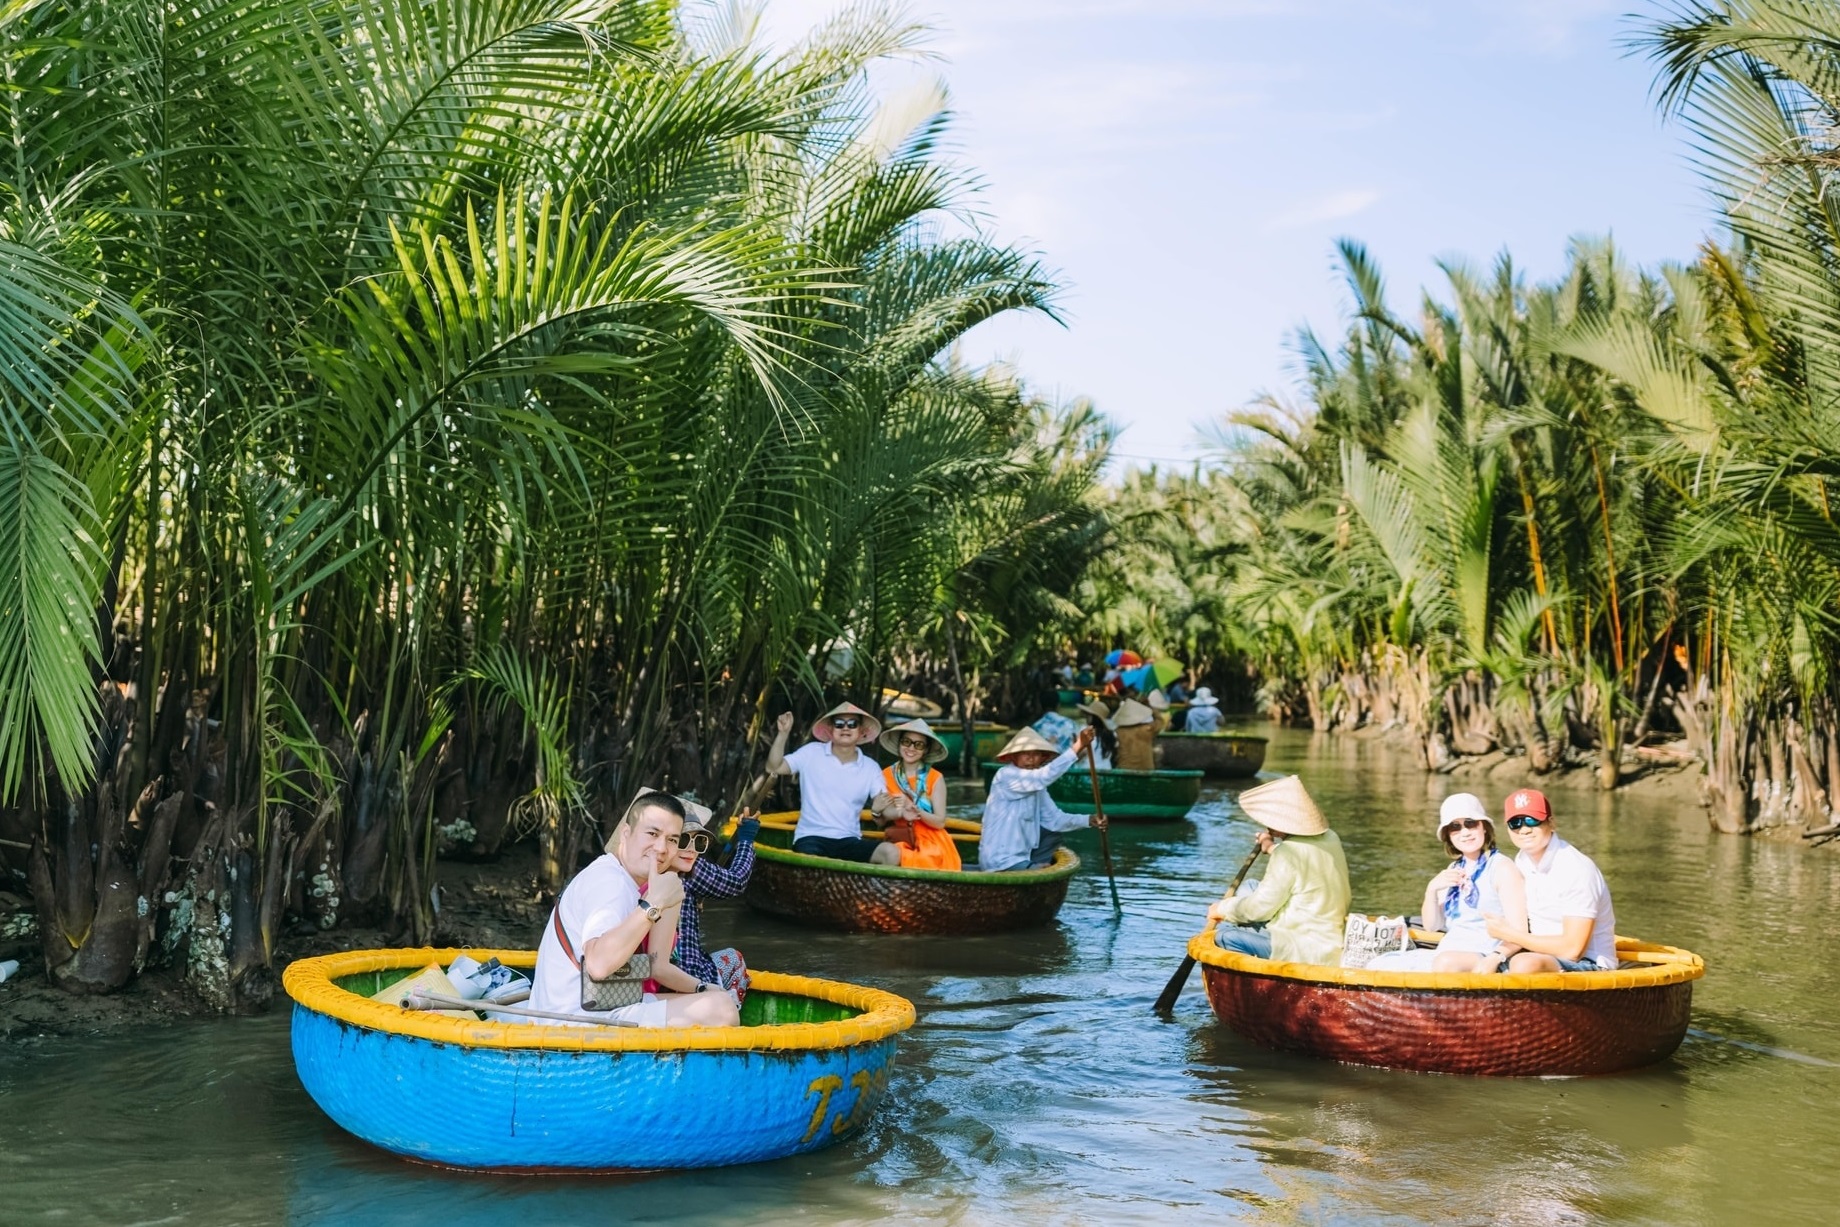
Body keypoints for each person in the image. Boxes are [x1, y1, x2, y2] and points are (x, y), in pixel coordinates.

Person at [531, 791, 738, 1027]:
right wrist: (654, 903)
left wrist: (701, 987)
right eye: (652, 833)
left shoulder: (625, 879)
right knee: (722, 1010)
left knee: (712, 998)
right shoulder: (610, 883)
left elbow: (654, 965)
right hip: (572, 1020)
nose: (661, 848)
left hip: (596, 1005)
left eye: (672, 839)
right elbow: (598, 965)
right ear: (626, 834)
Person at [1374, 793, 1528, 973]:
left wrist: (1496, 957)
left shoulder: (1502, 868)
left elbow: (1519, 931)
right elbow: (1432, 926)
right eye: (1455, 827)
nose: (1465, 832)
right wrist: (1431, 890)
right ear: (1448, 834)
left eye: (1470, 823)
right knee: (1379, 963)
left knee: (1445, 962)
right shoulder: (1454, 869)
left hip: (1485, 955)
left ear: (1484, 827)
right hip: (1447, 953)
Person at [1207, 775, 1351, 965]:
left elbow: (1259, 909)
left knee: (1225, 937)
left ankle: (1259, 977)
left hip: (1303, 946)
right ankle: (1253, 937)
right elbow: (1304, 859)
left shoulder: (1286, 854)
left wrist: (1222, 908)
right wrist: (1268, 846)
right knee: (1249, 886)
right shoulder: (1331, 837)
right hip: (1329, 934)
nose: (1267, 824)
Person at [1485, 789, 1619, 972]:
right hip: (1539, 954)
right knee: (1462, 960)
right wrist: (1496, 954)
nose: (1524, 829)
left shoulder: (1576, 869)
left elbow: (1573, 949)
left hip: (1589, 962)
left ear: (1551, 823)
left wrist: (1508, 934)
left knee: (1524, 964)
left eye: (1532, 820)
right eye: (1515, 823)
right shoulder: (1522, 860)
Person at [766, 701, 902, 864]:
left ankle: (869, 889)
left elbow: (885, 806)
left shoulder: (870, 767)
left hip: (849, 840)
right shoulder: (811, 752)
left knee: (891, 852)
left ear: (861, 732)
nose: (845, 728)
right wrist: (783, 734)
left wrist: (897, 809)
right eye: (839, 724)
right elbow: (774, 767)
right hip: (811, 837)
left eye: (852, 724)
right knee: (812, 862)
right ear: (830, 730)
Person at [978, 726, 1108, 871]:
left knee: (1052, 833)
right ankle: (1033, 868)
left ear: (1042, 758)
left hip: (1023, 857)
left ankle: (1034, 866)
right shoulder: (1006, 775)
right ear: (1014, 756)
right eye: (1025, 754)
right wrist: (1078, 746)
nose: (1031, 759)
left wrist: (1089, 820)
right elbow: (1043, 777)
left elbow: (1055, 820)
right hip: (999, 861)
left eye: (1036, 754)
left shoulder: (1037, 788)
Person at [667, 797, 759, 996]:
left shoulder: (637, 871)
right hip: (689, 975)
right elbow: (736, 882)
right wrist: (746, 840)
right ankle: (727, 1009)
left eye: (699, 841)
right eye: (683, 840)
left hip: (663, 978)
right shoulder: (691, 870)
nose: (691, 849)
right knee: (734, 959)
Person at [876, 719, 963, 871]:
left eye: (919, 744)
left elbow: (940, 822)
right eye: (906, 742)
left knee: (928, 858)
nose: (911, 748)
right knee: (889, 853)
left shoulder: (935, 778)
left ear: (926, 750)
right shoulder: (886, 775)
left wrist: (914, 809)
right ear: (899, 744)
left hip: (933, 842)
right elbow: (885, 814)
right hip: (902, 838)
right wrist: (901, 812)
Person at [1112, 698, 1158, 770]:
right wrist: (1150, 708)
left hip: (1125, 770)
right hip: (1146, 770)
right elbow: (1160, 721)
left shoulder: (1118, 731)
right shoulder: (1147, 729)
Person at [1075, 698, 1116, 769]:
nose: (1086, 716)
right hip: (1107, 772)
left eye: (1088, 715)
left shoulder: (1085, 731)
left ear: (1094, 717)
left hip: (1088, 772)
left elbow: (1080, 754)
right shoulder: (1112, 734)